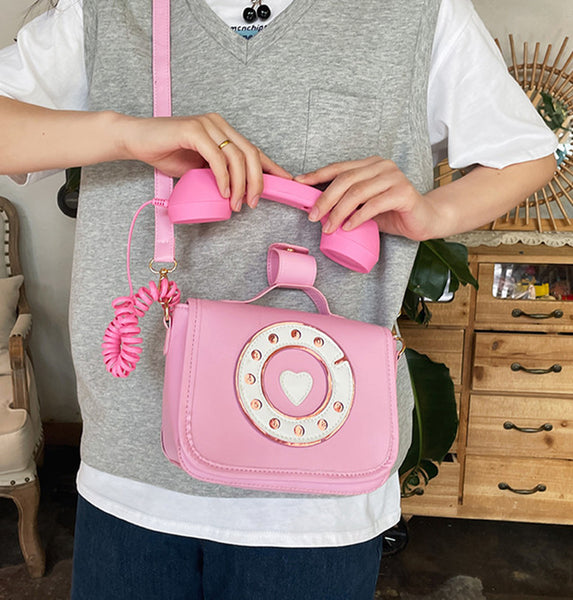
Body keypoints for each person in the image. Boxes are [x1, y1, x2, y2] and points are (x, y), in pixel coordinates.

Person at [0, 0, 557, 598]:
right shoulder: (109, 12)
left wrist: (432, 214)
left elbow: (528, 155)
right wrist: (127, 133)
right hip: (134, 474)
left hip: (320, 498)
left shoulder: (419, 12)